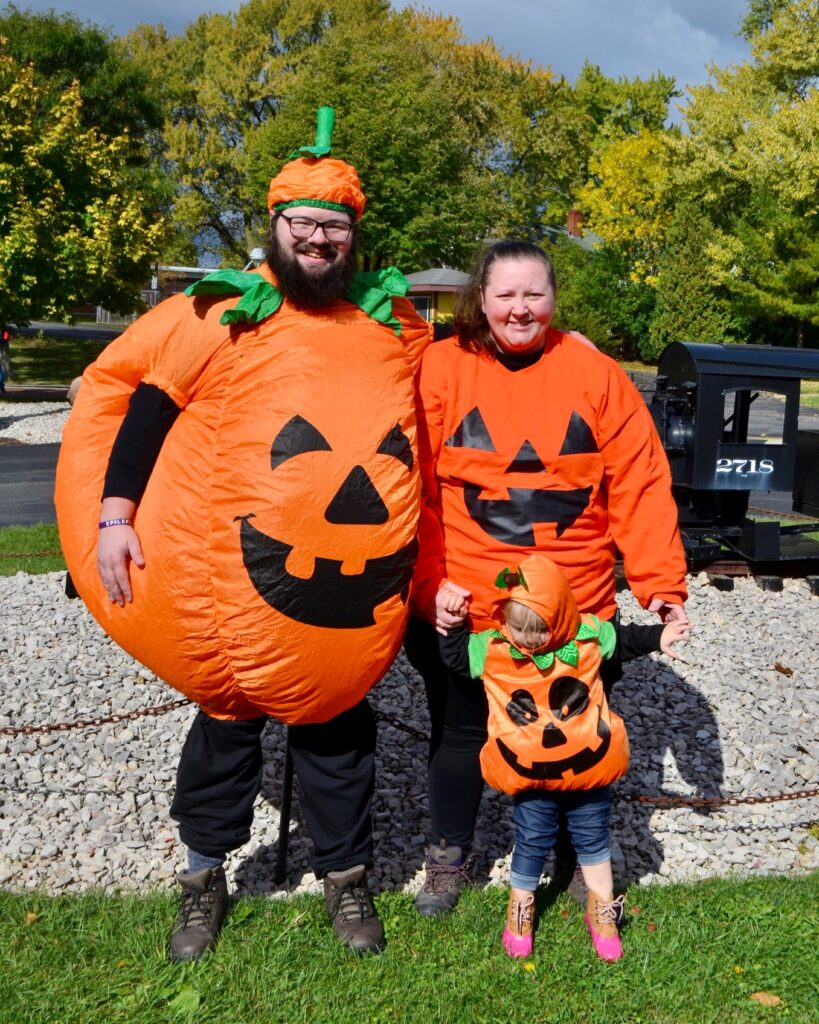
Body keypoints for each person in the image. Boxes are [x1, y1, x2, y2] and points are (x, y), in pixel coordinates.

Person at [55, 108, 432, 960]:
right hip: (230, 590)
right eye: (302, 223)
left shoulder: (387, 327)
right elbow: (144, 413)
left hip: (346, 596)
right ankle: (202, 881)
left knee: (338, 737)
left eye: (334, 227)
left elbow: (432, 417)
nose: (317, 239)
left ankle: (345, 880)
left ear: (353, 236)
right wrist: (114, 518)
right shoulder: (222, 314)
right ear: (275, 224)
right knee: (224, 735)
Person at [406, 240, 689, 917]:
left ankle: (577, 852)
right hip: (472, 605)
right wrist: (428, 583)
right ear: (480, 298)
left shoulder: (595, 375)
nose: (519, 308)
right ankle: (448, 854)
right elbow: (409, 488)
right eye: (505, 294)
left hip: (577, 609)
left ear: (554, 299)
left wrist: (660, 585)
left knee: (574, 732)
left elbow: (640, 484)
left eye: (533, 294)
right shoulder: (441, 369)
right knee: (461, 734)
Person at [439, 555, 689, 959]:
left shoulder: (587, 636)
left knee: (594, 839)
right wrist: (452, 625)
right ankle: (520, 908)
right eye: (519, 629)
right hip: (531, 775)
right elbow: (455, 659)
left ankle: (601, 909)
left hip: (588, 771)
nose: (529, 640)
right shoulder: (495, 647)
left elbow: (624, 641)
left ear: (561, 616)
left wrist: (658, 637)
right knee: (531, 839)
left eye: (539, 630)